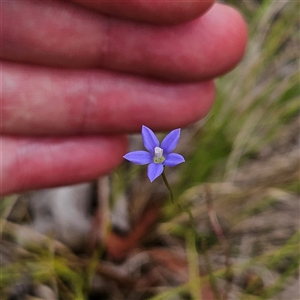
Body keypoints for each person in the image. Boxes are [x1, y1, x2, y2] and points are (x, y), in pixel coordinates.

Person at [1, 0, 247, 196]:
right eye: (158, 155)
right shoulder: (151, 161)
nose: (159, 155)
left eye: (160, 155)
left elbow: (167, 159)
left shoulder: (164, 159)